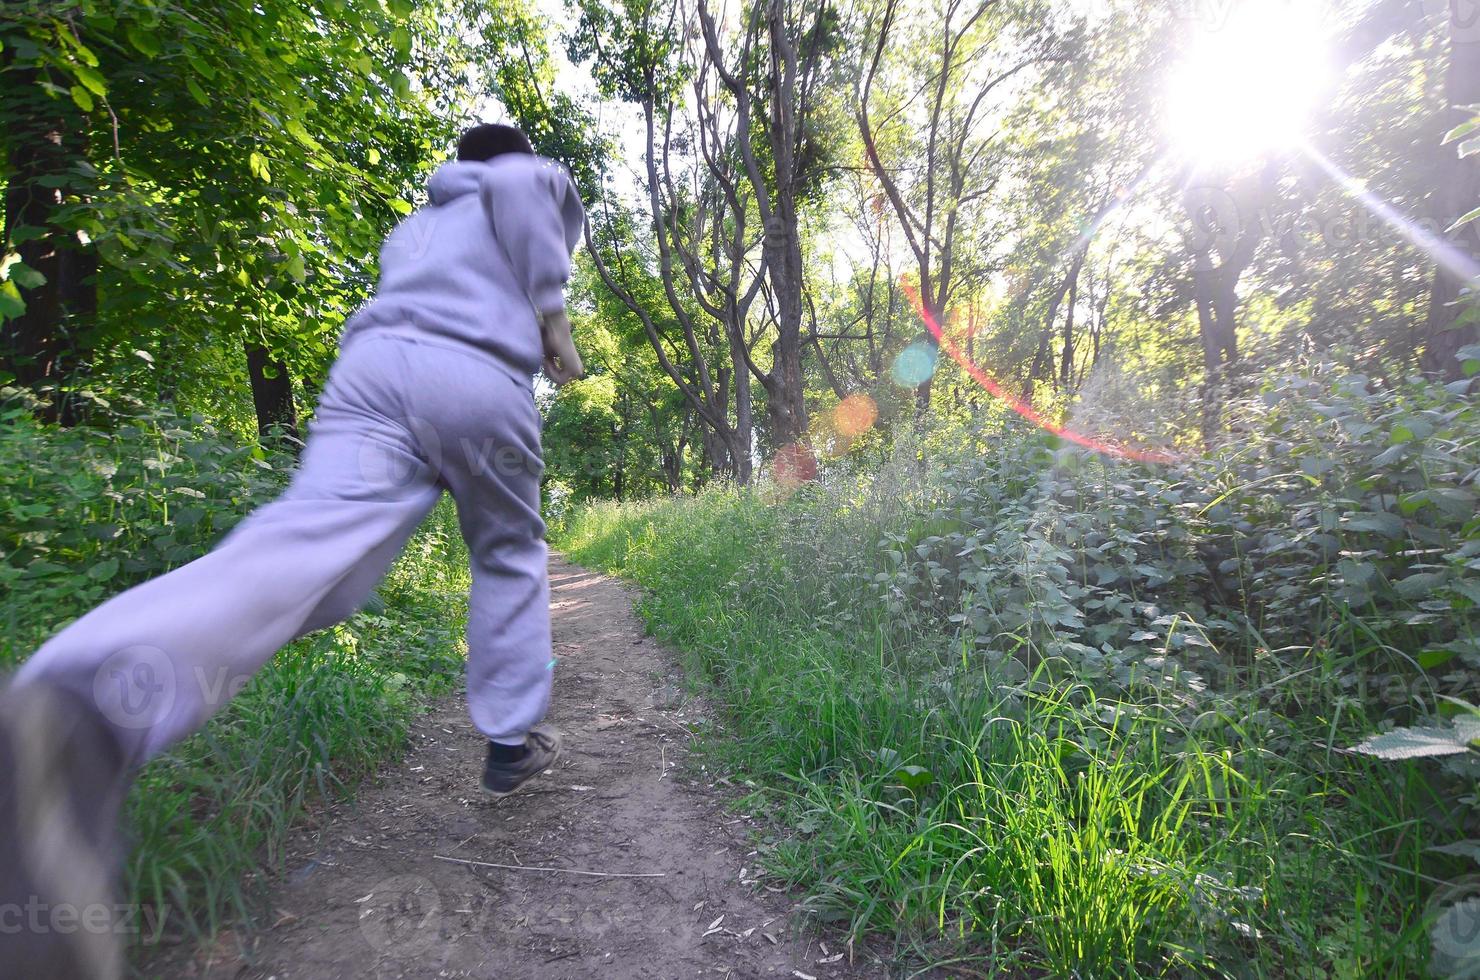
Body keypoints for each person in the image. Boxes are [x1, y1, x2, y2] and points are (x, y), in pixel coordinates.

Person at [0, 123, 585, 978]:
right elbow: (531, 193)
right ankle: (508, 740)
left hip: (372, 376)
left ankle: (79, 695)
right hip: (478, 379)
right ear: (507, 158)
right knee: (507, 552)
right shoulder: (526, 177)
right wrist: (554, 317)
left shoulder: (415, 227)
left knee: (307, 553)